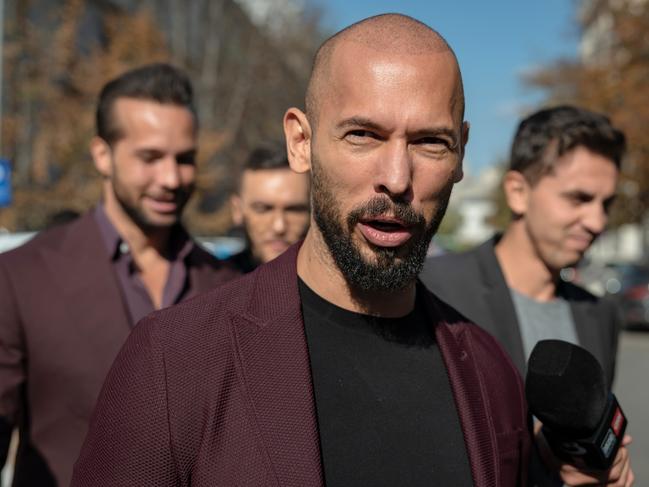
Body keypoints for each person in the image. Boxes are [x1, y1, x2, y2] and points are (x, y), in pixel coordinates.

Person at [73, 14, 531, 486]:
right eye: (363, 135)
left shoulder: (491, 373)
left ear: (461, 155)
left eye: (431, 142)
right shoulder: (174, 363)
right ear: (301, 142)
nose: (396, 179)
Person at [0, 63, 239, 486]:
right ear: (102, 155)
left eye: (184, 159)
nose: (170, 178)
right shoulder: (22, 276)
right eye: (150, 157)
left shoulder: (228, 283)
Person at [421, 105, 634, 486]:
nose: (597, 221)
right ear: (518, 192)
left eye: (606, 204)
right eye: (579, 198)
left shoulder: (600, 313)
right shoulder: (434, 289)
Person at [228, 143, 310, 272]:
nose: (279, 226)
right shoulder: (216, 285)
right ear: (237, 210)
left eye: (293, 210)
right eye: (263, 209)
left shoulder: (339, 288)